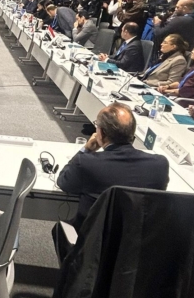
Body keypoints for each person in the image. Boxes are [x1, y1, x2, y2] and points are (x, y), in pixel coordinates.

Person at [54, 102, 169, 259]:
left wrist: (86, 150)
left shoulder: (87, 163)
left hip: (94, 247)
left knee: (59, 229)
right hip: (139, 249)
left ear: (100, 133)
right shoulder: (160, 165)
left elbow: (63, 181)